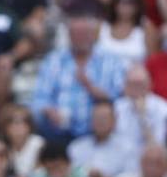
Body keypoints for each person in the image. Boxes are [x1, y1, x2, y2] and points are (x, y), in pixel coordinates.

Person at [29, 11, 127, 140]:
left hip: (98, 133)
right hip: (59, 131)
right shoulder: (54, 60)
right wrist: (48, 110)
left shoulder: (111, 61)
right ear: (69, 36)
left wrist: (91, 87)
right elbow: (39, 98)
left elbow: (120, 98)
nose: (80, 38)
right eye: (76, 34)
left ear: (93, 35)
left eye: (84, 34)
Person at [69, 99, 135, 177]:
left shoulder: (127, 148)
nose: (99, 122)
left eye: (104, 118)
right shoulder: (76, 147)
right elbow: (70, 176)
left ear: (114, 121)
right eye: (96, 118)